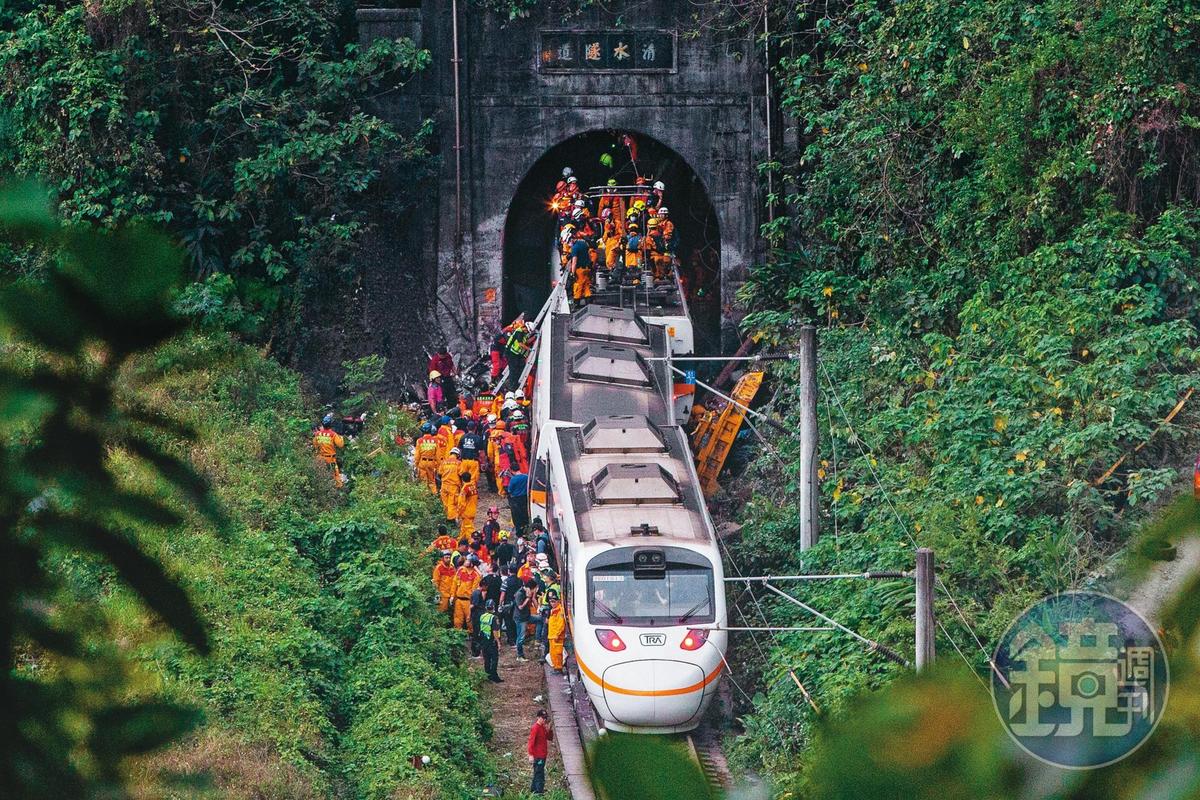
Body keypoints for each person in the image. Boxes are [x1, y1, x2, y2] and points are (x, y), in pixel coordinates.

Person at [312, 414, 345, 485]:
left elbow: (315, 445)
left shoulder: (317, 434)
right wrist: (341, 437)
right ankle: (338, 489)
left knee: (320, 476)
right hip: (330, 459)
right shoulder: (333, 434)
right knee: (336, 478)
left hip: (320, 458)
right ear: (331, 424)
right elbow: (341, 445)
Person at [451, 555, 480, 631]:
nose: (466, 561)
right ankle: (457, 634)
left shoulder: (475, 575)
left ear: (472, 563)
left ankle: (471, 635)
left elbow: (474, 590)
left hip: (468, 601)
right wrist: (452, 596)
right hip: (459, 599)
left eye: (468, 560)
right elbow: (455, 583)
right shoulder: (461, 571)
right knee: (457, 619)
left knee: (469, 619)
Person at [528, 709, 551, 795]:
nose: (544, 720)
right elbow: (531, 741)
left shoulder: (543, 727)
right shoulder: (535, 728)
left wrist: (549, 729)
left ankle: (534, 789)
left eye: (545, 718)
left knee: (538, 771)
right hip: (538, 755)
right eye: (542, 718)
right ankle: (538, 792)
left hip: (543, 754)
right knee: (539, 773)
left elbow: (549, 737)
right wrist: (530, 754)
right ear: (538, 717)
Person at [479, 599, 503, 682]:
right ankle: (494, 676)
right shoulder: (494, 618)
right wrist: (498, 642)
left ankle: (487, 675)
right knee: (494, 658)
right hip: (491, 640)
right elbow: (495, 631)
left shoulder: (482, 616)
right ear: (493, 607)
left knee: (487, 658)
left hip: (483, 640)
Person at [514, 576, 536, 660]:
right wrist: (528, 598)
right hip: (520, 619)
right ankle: (520, 655)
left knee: (540, 619)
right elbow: (520, 607)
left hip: (527, 616)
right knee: (521, 637)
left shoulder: (525, 592)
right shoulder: (520, 594)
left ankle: (537, 640)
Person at [414, 423, 440, 495]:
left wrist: (416, 465)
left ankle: (425, 498)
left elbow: (417, 455)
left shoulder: (419, 441)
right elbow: (438, 456)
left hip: (422, 463)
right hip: (431, 463)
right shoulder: (435, 441)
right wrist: (438, 467)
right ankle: (434, 496)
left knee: (423, 481)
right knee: (432, 481)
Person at [546, 592, 566, 672]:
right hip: (551, 635)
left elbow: (561, 625)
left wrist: (557, 634)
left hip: (556, 637)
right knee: (553, 653)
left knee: (557, 653)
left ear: (558, 601)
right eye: (551, 602)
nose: (552, 603)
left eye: (554, 601)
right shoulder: (553, 610)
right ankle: (555, 667)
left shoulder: (560, 611)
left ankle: (558, 668)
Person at [507, 468, 529, 535]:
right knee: (525, 514)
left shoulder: (513, 479)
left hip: (516, 500)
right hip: (525, 498)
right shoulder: (526, 476)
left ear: (512, 470)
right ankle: (527, 529)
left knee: (517, 517)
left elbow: (509, 490)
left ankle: (519, 532)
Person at [458, 472, 479, 539]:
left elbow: (461, 503)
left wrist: (459, 513)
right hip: (473, 510)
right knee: (464, 527)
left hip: (466, 512)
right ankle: (460, 541)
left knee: (469, 529)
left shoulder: (465, 489)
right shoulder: (473, 486)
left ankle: (473, 542)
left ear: (462, 479)